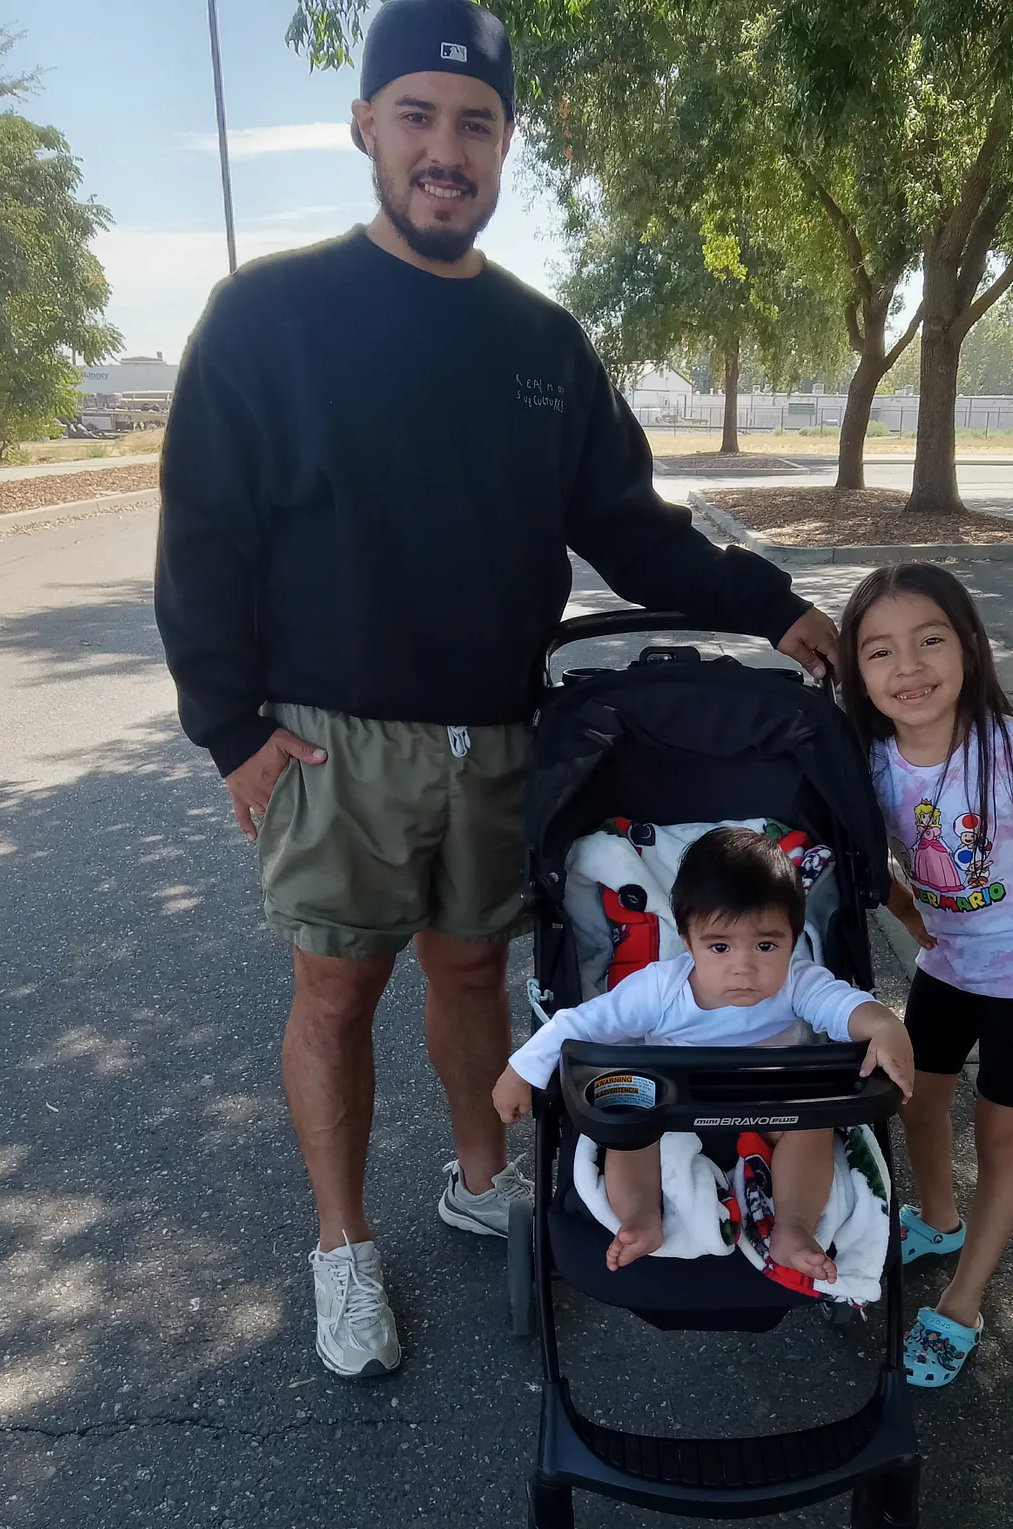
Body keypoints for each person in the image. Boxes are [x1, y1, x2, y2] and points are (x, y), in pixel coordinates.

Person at [153, 0, 838, 1381]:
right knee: (336, 994)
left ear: (506, 144)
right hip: (328, 742)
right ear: (365, 127)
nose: (444, 148)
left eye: (474, 123)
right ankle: (343, 1247)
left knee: (472, 967)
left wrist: (778, 606)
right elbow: (203, 528)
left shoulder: (543, 344)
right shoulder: (267, 315)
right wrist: (229, 727)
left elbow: (631, 525)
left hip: (500, 732)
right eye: (416, 116)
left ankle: (480, 1173)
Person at [837, 563, 1013, 1387]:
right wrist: (914, 920)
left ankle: (965, 1302)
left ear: (970, 648)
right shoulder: (873, 760)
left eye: (930, 640)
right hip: (949, 966)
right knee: (919, 1101)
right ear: (856, 672)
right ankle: (939, 1219)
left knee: (1000, 1132)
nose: (908, 668)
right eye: (880, 652)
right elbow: (874, 864)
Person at [492, 828, 914, 1277]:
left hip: (770, 1106)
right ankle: (640, 1218)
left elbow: (844, 1004)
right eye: (720, 947)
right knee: (628, 1134)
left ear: (792, 939)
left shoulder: (797, 982)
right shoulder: (660, 989)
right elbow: (583, 1023)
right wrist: (523, 1069)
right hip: (671, 1113)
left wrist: (883, 1023)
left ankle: (792, 1227)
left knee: (813, 1127)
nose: (744, 966)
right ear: (688, 942)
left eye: (767, 945)